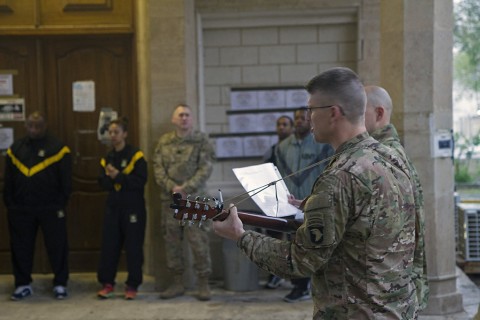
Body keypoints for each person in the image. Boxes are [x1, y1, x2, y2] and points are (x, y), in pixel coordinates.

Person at [213, 67, 420, 318]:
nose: (308, 117)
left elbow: (298, 261)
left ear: (333, 113)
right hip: (399, 309)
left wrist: (240, 236)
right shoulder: (392, 157)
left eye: (311, 109)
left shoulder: (339, 177)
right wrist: (313, 206)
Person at [364, 85, 429, 310]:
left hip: (387, 292)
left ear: (379, 114)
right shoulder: (388, 151)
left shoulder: (382, 157)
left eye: (359, 111)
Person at [3, 111, 72, 300]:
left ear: (45, 126)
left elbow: (66, 181)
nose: (34, 130)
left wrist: (60, 203)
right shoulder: (16, 149)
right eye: (31, 126)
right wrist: (10, 204)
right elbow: (8, 180)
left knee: (57, 246)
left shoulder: (59, 148)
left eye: (38, 126)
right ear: (26, 126)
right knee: (21, 247)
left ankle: (60, 283)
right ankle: (22, 284)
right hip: (21, 209)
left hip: (51, 208)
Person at [153, 103, 215, 301]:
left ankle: (203, 283)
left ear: (192, 119)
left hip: (195, 200)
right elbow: (158, 168)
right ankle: (177, 282)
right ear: (173, 119)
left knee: (199, 242)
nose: (184, 118)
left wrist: (185, 188)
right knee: (172, 243)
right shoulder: (164, 142)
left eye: (187, 115)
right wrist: (172, 187)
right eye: (180, 115)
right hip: (170, 200)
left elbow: (206, 168)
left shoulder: (201, 140)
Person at [273, 107, 334, 302]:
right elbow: (280, 175)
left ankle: (316, 286)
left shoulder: (323, 145)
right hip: (290, 205)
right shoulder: (282, 147)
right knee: (294, 246)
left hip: (313, 203)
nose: (300, 121)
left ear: (311, 120)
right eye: (297, 118)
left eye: (304, 118)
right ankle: (299, 286)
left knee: (316, 245)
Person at [96, 118, 147, 300]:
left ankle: (132, 285)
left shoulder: (136, 155)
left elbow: (140, 181)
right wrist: (111, 179)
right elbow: (102, 182)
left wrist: (118, 176)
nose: (113, 135)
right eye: (110, 132)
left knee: (133, 247)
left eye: (116, 132)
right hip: (113, 207)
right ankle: (107, 283)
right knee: (109, 246)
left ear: (124, 134)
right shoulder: (107, 158)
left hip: (133, 207)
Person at [262, 115, 294, 289]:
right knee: (274, 240)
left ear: (292, 128)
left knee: (296, 241)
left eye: (285, 124)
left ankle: (298, 279)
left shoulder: (297, 150)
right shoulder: (272, 150)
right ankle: (276, 274)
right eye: (279, 125)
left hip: (294, 199)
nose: (282, 127)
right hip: (276, 201)